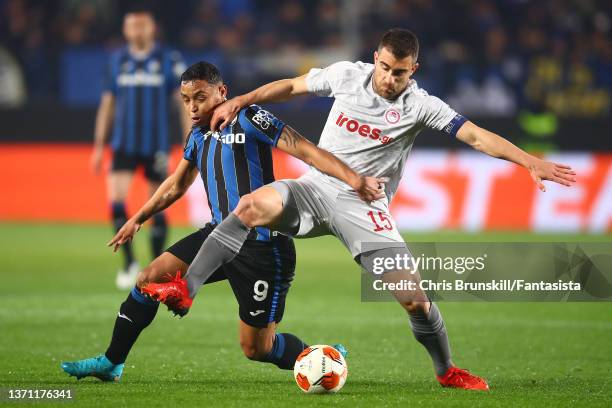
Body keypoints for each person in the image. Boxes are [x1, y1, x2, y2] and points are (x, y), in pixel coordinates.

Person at [148, 29, 577, 390]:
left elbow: (476, 137)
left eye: (401, 72)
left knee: (414, 301)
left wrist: (529, 160)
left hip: (364, 207)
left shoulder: (421, 105)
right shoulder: (348, 75)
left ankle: (447, 370)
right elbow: (292, 87)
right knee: (249, 206)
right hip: (316, 188)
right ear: (376, 60)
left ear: (414, 71)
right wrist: (241, 99)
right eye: (386, 68)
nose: (391, 79)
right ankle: (188, 288)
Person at [61, 61, 381, 382]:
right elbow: (176, 184)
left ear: (222, 92)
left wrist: (354, 180)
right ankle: (112, 362)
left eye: (200, 97)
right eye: (186, 100)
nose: (192, 107)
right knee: (149, 278)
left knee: (257, 349)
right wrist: (138, 219)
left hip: (262, 246)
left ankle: (323, 356)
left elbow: (303, 148)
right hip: (216, 236)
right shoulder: (197, 136)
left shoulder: (248, 117)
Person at [91, 7, 190, 289]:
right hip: (123, 143)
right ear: (125, 30)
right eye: (132, 26)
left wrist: (188, 138)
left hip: (155, 144)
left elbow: (182, 102)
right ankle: (129, 263)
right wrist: (99, 145)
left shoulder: (167, 59)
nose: (137, 31)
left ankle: (155, 266)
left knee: (157, 205)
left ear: (151, 28)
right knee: (117, 200)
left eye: (142, 26)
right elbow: (107, 104)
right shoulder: (116, 61)